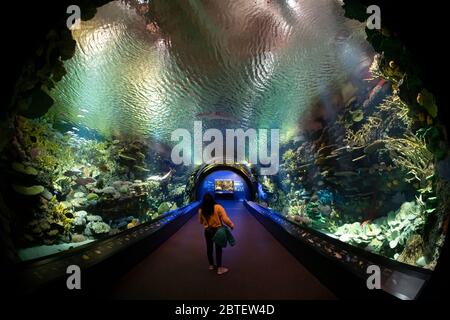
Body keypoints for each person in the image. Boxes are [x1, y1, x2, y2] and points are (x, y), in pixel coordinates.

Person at [198, 193, 235, 275]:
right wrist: (231, 225)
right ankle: (219, 268)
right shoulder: (218, 207)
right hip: (218, 231)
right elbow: (225, 219)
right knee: (218, 249)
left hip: (207, 231)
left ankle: (211, 265)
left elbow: (200, 222)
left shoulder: (201, 209)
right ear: (212, 199)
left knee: (209, 247)